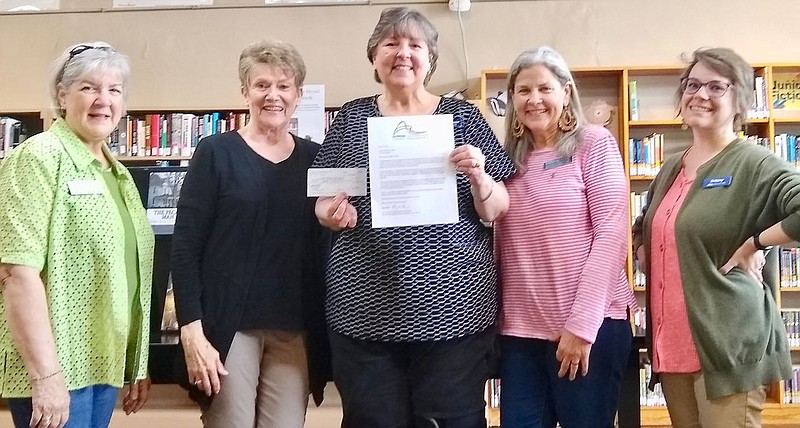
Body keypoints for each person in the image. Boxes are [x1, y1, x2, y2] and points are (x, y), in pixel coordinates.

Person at [312, 7, 515, 427]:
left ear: (430, 58)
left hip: (453, 311)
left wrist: (478, 175)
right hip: (363, 312)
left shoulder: (464, 118)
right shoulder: (351, 119)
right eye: (391, 44)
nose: (402, 53)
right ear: (374, 57)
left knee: (451, 420)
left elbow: (496, 209)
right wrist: (332, 213)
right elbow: (321, 200)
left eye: (414, 45)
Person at [632, 47, 800, 427]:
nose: (700, 95)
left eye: (715, 86)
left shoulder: (754, 163)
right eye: (692, 84)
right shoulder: (674, 165)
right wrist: (645, 252)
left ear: (740, 98)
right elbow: (644, 222)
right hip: (672, 349)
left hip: (728, 351)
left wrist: (757, 242)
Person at [171, 39, 331, 428]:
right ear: (245, 91)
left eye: (283, 86)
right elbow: (186, 246)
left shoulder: (316, 158)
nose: (272, 95)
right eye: (261, 85)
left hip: (294, 328)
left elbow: (327, 242)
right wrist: (191, 331)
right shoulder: (215, 153)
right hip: (228, 326)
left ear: (298, 95)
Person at [0, 41, 154, 428]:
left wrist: (136, 362)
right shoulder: (38, 157)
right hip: (55, 366)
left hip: (101, 361)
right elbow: (17, 274)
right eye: (89, 87)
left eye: (114, 90)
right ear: (62, 94)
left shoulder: (116, 174)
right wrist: (47, 377)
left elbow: (130, 273)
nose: (103, 100)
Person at [492, 46, 634, 428]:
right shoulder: (505, 161)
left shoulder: (594, 142)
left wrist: (581, 326)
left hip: (587, 328)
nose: (534, 99)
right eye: (523, 91)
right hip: (521, 334)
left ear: (566, 91)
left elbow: (611, 234)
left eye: (545, 88)